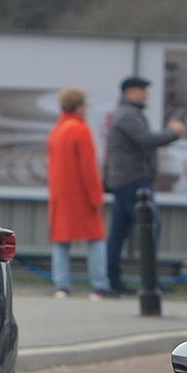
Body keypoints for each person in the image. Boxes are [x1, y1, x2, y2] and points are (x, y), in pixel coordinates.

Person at [101, 75, 184, 296]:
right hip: (132, 182)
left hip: (127, 181)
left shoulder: (130, 113)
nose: (146, 94)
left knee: (119, 233)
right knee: (149, 229)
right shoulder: (128, 115)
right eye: (142, 90)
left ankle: (113, 280)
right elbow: (146, 139)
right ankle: (149, 284)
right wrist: (173, 132)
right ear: (129, 92)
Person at [44, 87, 106, 299]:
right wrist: (97, 197)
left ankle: (61, 285)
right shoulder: (81, 130)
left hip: (60, 195)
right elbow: (89, 168)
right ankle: (99, 286)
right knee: (96, 239)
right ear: (79, 106)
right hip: (81, 195)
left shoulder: (56, 131)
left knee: (61, 241)